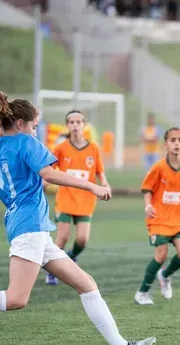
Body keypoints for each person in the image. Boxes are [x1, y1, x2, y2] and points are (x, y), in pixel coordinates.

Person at [0, 91, 155, 345]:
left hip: (32, 230)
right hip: (29, 227)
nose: (36, 131)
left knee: (86, 285)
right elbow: (49, 174)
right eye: (34, 126)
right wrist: (92, 186)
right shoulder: (26, 143)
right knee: (16, 299)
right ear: (20, 123)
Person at [134, 127, 180, 305]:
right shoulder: (159, 167)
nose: (177, 143)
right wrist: (148, 205)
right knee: (161, 255)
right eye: (173, 140)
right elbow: (147, 189)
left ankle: (164, 275)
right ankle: (142, 292)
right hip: (160, 218)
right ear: (166, 144)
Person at [45, 110, 111, 285]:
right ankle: (53, 271)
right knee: (63, 237)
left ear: (84, 125)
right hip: (66, 198)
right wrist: (42, 183)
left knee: (82, 240)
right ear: (67, 126)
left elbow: (99, 171)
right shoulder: (61, 148)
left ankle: (70, 256)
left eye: (78, 122)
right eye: (71, 122)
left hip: (86, 200)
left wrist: (105, 184)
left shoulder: (93, 148)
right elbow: (48, 168)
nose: (75, 125)